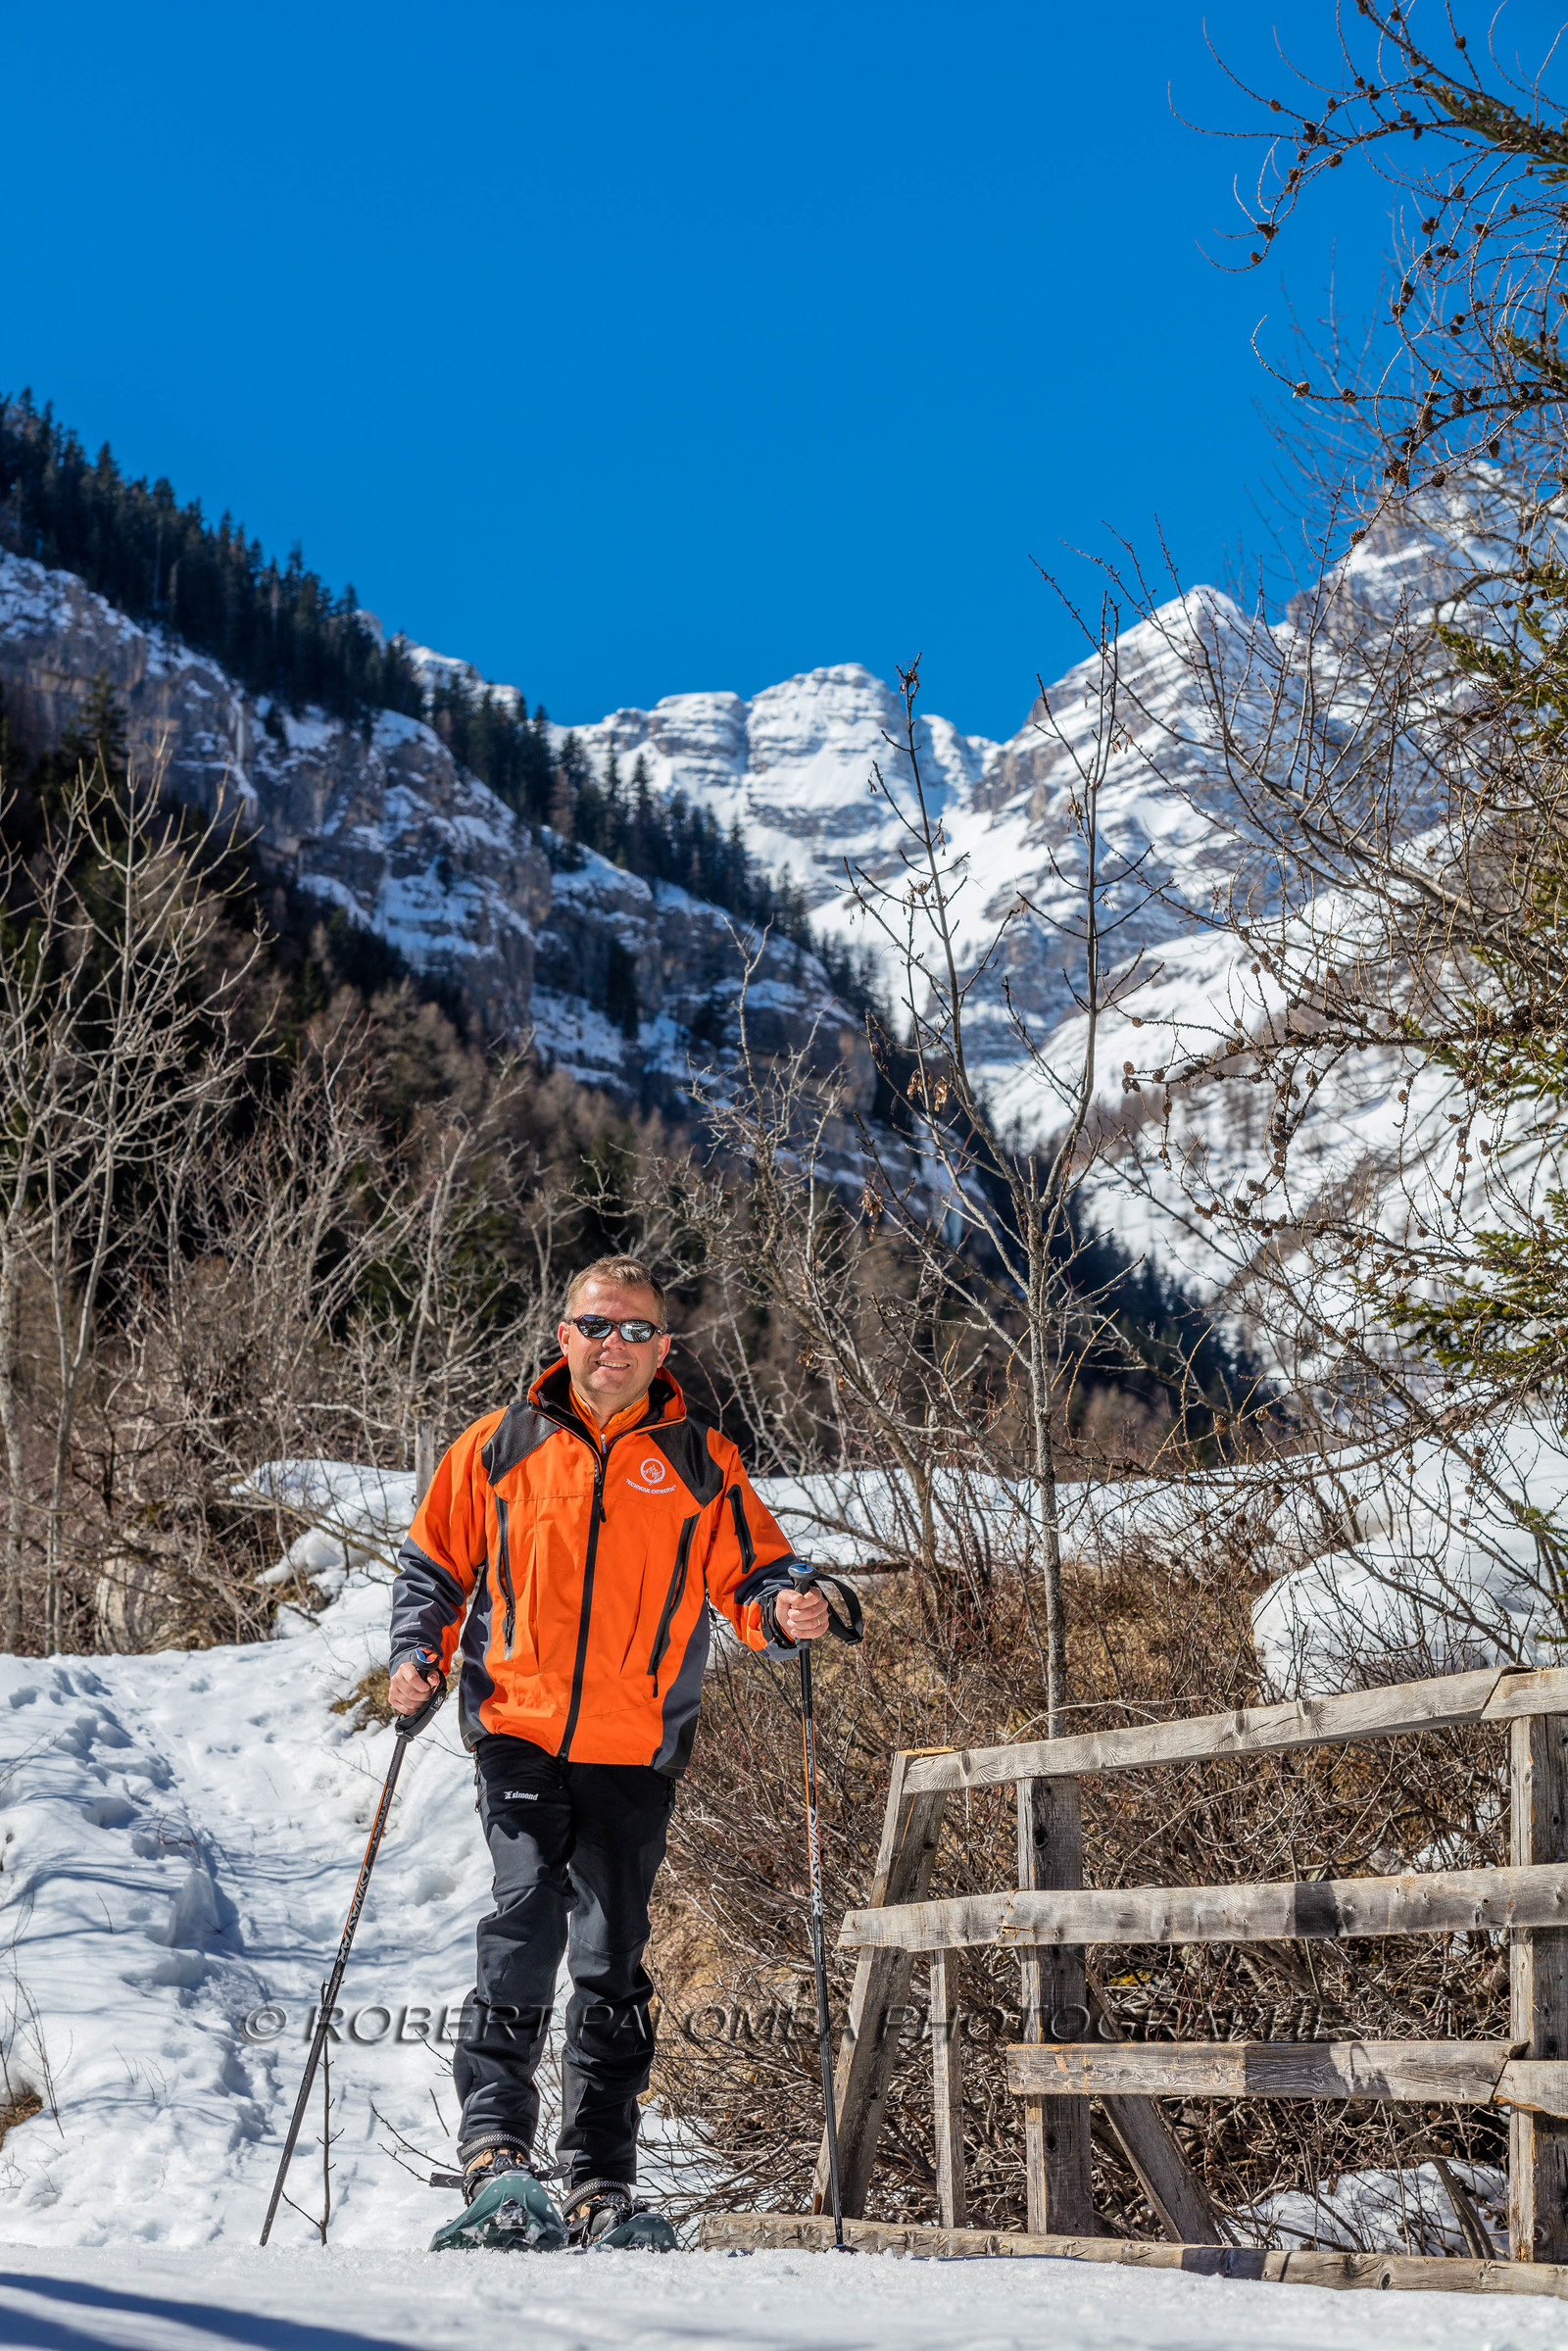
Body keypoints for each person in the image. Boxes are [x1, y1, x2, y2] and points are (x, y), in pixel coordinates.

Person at [388, 1253, 832, 2252]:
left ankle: (601, 2181)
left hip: (636, 1746)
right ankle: (497, 2152)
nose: (615, 1347)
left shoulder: (698, 1460)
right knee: (523, 1921)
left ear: (663, 1347)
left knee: (611, 1960)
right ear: (564, 1334)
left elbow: (754, 1576)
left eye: (637, 1330)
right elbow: (431, 1562)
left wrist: (786, 1607)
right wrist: (414, 1654)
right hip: (517, 1727)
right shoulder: (497, 1445)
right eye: (599, 1325)